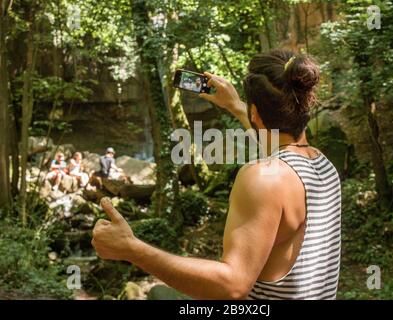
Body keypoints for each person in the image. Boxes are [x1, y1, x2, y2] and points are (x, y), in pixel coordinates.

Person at [92, 50, 341, 300]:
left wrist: (132, 249)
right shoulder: (323, 167)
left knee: (160, 296)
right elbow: (278, 145)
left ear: (255, 113)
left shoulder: (262, 179)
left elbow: (232, 286)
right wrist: (234, 105)